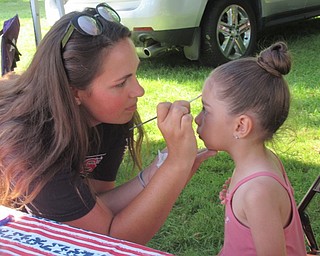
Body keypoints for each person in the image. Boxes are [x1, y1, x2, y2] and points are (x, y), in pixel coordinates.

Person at [0, 3, 215, 245]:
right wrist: (175, 166)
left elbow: (98, 201)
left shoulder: (109, 119)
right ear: (74, 93)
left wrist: (160, 168)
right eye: (121, 83)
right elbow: (107, 241)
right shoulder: (31, 146)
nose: (140, 90)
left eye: (135, 74)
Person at [195, 42, 307, 255]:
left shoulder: (257, 191)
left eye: (206, 110)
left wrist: (249, 200)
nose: (197, 118)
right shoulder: (256, 165)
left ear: (241, 126)